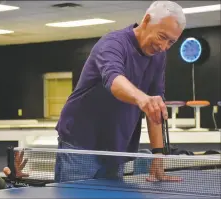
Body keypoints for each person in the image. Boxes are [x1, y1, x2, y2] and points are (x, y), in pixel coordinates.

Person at [55, 1, 186, 182]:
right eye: (162, 37)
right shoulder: (113, 43)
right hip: (81, 145)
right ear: (147, 20)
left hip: (117, 147)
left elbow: (155, 106)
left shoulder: (159, 56)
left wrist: (158, 155)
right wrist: (142, 98)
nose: (164, 47)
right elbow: (114, 80)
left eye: (171, 42)